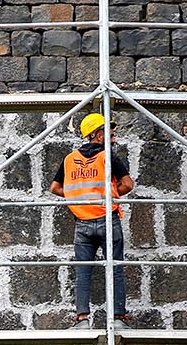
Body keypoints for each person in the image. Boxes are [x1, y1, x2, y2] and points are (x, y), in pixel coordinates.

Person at [51, 112, 134, 328]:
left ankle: (82, 319)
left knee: (83, 271)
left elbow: (55, 188)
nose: (113, 137)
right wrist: (109, 196)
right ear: (98, 135)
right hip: (108, 219)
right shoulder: (108, 157)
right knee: (115, 268)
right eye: (109, 132)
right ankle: (118, 319)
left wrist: (79, 200)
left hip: (82, 223)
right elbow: (128, 184)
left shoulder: (69, 160)